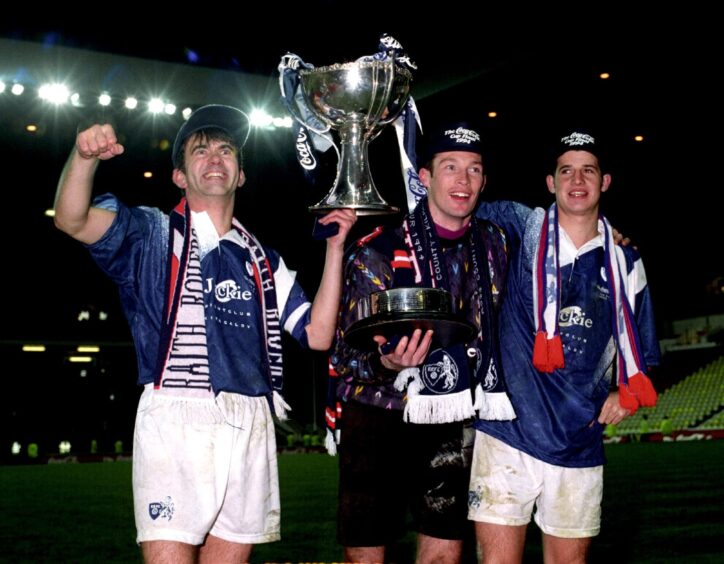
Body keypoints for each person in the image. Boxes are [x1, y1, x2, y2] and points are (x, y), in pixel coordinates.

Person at [53, 104, 356, 563]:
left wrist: (335, 250)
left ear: (240, 176)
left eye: (226, 149)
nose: (215, 157)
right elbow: (70, 219)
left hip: (250, 414)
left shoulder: (262, 259)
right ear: (179, 176)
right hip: (176, 410)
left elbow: (317, 334)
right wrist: (84, 156)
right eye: (200, 150)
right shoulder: (147, 233)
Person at [468, 130, 660, 563]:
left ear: (604, 182)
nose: (577, 180)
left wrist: (622, 396)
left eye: (588, 170)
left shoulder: (625, 261)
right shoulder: (521, 225)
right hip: (507, 432)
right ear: (550, 182)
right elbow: (454, 207)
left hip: (579, 439)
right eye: (566, 170)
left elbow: (643, 350)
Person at [329, 121, 513, 563]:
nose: (463, 181)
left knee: (444, 553)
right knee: (366, 556)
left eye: (474, 170)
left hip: (452, 415)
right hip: (376, 413)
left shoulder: (496, 244)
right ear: (425, 177)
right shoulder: (379, 248)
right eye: (450, 167)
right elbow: (342, 353)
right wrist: (386, 363)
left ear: (484, 180)